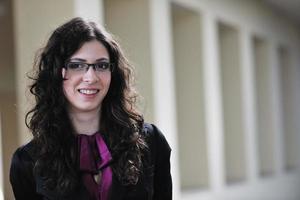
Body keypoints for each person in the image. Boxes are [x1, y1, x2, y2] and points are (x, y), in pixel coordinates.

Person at [9, 17, 172, 200]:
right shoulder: (26, 162)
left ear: (113, 73)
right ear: (57, 72)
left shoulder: (151, 142)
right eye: (77, 65)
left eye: (101, 65)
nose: (91, 77)